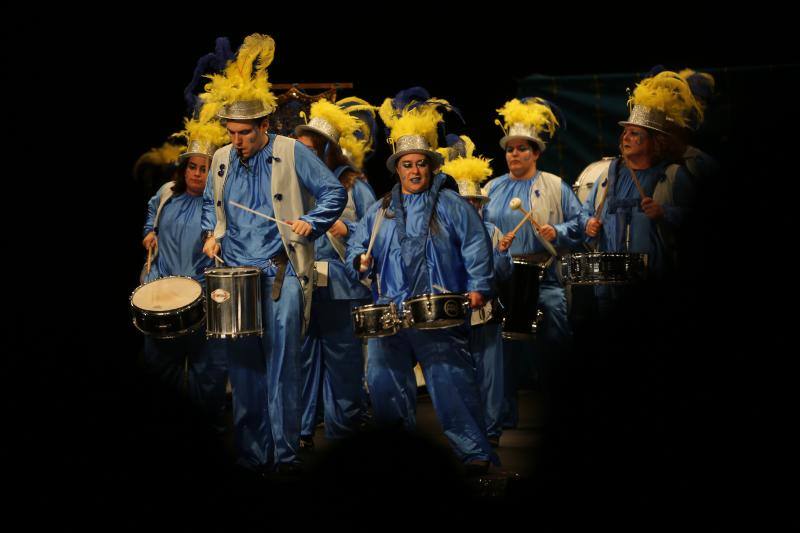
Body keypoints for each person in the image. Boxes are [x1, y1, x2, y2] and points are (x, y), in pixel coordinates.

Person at [198, 34, 347, 474]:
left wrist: (312, 221)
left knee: (283, 366)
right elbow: (212, 204)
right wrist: (213, 234)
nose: (237, 140)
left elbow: (333, 193)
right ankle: (251, 455)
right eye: (232, 133)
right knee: (243, 370)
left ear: (264, 126)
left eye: (245, 133)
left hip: (279, 274)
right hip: (237, 275)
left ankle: (284, 455)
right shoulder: (222, 158)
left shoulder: (291, 152)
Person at [346, 95, 497, 474]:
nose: (414, 171)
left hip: (438, 311)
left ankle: (474, 454)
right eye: (407, 165)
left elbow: (477, 245)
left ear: (430, 167)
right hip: (392, 312)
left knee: (451, 385)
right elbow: (356, 246)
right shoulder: (380, 209)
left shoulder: (451, 205)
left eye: (420, 165)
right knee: (383, 384)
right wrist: (359, 260)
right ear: (397, 169)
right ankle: (399, 456)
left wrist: (479, 285)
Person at [482, 97, 584, 429]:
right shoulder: (492, 189)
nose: (514, 154)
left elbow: (581, 223)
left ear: (536, 153)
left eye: (522, 149)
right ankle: (503, 417)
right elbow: (477, 231)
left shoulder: (555, 186)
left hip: (546, 279)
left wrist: (557, 231)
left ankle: (562, 413)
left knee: (556, 345)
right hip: (506, 281)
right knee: (504, 352)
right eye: (510, 149)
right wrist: (496, 243)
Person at [293, 97, 377, 448]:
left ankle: (344, 431)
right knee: (303, 358)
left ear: (327, 151)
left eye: (311, 150)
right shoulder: (294, 186)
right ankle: (301, 429)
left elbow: (375, 230)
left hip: (342, 284)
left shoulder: (353, 184)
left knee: (343, 360)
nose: (304, 157)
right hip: (303, 281)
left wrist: (347, 229)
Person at [139, 115, 230, 432]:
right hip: (162, 292)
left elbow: (223, 235)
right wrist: (149, 232)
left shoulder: (217, 203)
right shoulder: (166, 193)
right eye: (192, 167)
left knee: (210, 369)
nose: (197, 174)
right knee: (162, 365)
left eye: (204, 168)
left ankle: (208, 427)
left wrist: (215, 240)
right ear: (183, 168)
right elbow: (151, 216)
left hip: (202, 298)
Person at [582, 71, 698, 283]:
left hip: (654, 282)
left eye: (635, 133)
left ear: (655, 141)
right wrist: (588, 223)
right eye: (625, 132)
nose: (626, 137)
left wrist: (665, 212)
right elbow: (584, 212)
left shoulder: (673, 175)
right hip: (610, 283)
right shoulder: (610, 174)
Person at [439, 134, 512, 448]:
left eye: (476, 203)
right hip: (457, 313)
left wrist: (501, 255)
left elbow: (503, 274)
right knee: (459, 374)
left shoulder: (493, 231)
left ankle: (492, 430)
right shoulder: (444, 232)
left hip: (487, 312)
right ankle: (466, 430)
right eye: (465, 202)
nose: (471, 207)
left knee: (490, 376)